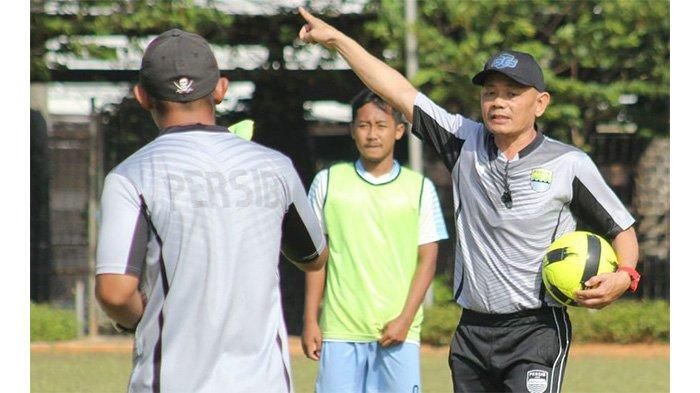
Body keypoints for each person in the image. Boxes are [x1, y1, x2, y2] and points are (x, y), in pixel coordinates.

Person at [297, 8, 641, 393]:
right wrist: (337, 40)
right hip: (471, 332)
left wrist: (624, 276)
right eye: (490, 93)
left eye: (512, 94)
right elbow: (397, 90)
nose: (498, 103)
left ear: (540, 103)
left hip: (535, 332)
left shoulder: (569, 163)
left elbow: (621, 229)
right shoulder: (462, 143)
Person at [95, 28, 328, 393]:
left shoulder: (131, 175)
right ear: (220, 89)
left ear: (142, 97)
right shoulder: (274, 166)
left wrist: (141, 320)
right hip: (263, 383)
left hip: (171, 381)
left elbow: (114, 292)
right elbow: (314, 256)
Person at [302, 89, 448, 392]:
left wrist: (405, 320)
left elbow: (428, 260)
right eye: (364, 125)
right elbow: (316, 259)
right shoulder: (328, 182)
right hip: (340, 331)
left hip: (398, 332)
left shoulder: (419, 188)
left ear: (398, 131)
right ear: (353, 130)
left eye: (381, 125)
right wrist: (310, 320)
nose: (372, 134)